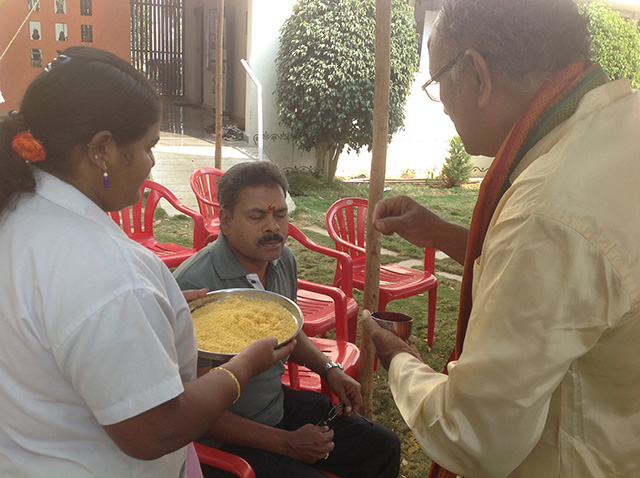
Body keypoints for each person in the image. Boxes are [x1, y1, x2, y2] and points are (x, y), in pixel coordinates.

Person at [362, 0, 640, 477]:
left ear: (475, 73)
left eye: (435, 83)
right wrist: (439, 233)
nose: (442, 103)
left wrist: (399, 361)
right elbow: (569, 278)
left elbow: (474, 434)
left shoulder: (547, 208)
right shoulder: (616, 126)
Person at [0, 46, 295, 477]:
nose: (152, 162)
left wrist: (158, 307)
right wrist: (243, 366)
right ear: (102, 149)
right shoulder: (106, 273)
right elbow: (154, 430)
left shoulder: (19, 213)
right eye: (148, 146)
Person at [173, 161, 401, 478]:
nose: (273, 227)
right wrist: (287, 444)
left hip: (275, 407)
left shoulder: (283, 260)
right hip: (221, 444)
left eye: (280, 214)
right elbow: (198, 412)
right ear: (225, 220)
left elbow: (288, 334)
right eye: (257, 216)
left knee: (383, 445)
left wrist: (329, 368)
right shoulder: (195, 287)